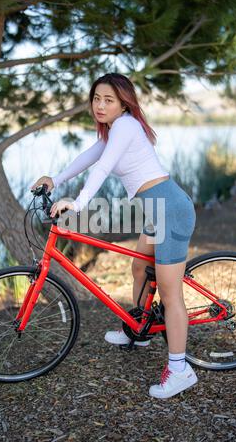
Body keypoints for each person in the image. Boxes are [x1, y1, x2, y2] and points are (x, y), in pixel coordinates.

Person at [31, 72, 198, 399]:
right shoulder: (114, 130)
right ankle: (141, 330)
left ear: (124, 103)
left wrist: (77, 205)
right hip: (156, 210)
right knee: (139, 269)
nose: (100, 105)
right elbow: (89, 158)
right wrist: (55, 178)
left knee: (170, 291)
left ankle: (180, 370)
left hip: (170, 209)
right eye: (96, 98)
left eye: (108, 99)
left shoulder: (126, 126)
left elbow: (103, 169)